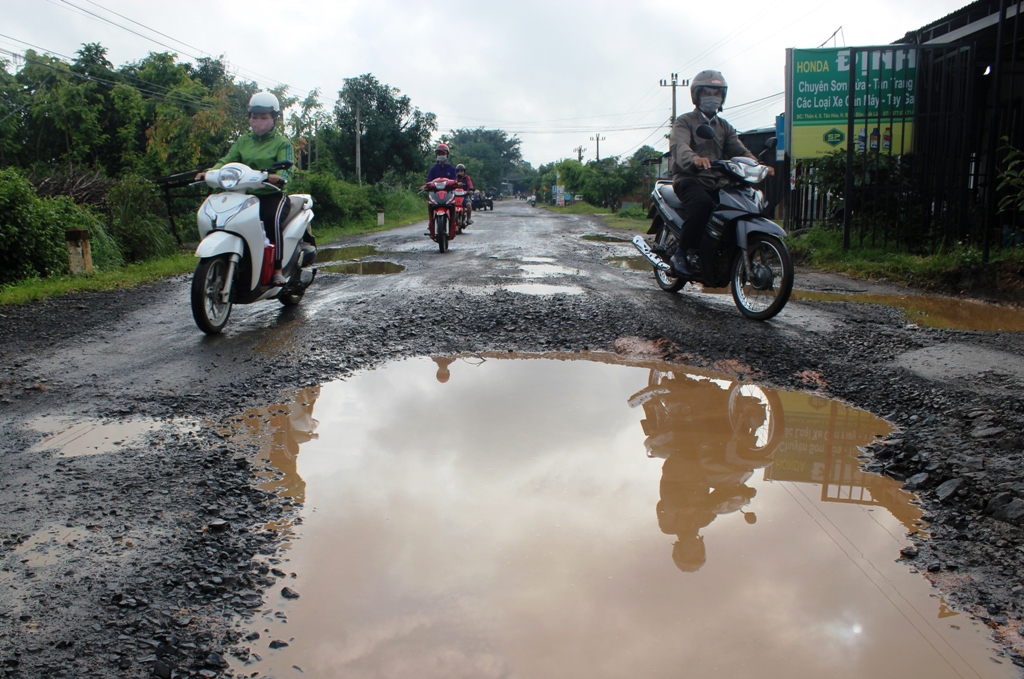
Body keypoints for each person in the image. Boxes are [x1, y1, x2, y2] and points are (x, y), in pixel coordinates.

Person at [668, 70, 772, 277]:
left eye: (717, 92)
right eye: (707, 91)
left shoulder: (724, 126)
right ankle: (681, 253)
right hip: (690, 178)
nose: (712, 96)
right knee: (702, 205)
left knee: (736, 205)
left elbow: (738, 150)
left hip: (717, 181)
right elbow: (679, 145)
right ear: (697, 95)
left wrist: (758, 166)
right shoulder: (685, 122)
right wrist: (694, 159)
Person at [196, 92, 294, 286]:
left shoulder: (282, 143)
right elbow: (226, 161)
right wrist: (209, 172)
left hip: (270, 195)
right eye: (254, 117)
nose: (258, 121)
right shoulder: (243, 141)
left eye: (263, 117)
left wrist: (279, 178)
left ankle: (277, 269)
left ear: (274, 118)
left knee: (271, 220)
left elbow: (287, 172)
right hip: (244, 196)